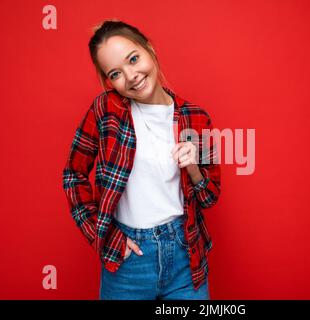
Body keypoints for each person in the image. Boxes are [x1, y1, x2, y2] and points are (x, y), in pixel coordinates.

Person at [62, 20, 221, 300]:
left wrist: (194, 168)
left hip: (185, 257)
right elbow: (73, 175)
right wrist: (104, 236)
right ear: (109, 81)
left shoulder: (196, 118)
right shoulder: (105, 109)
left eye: (133, 59)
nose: (131, 75)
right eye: (116, 73)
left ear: (149, 48)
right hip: (129, 263)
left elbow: (210, 197)